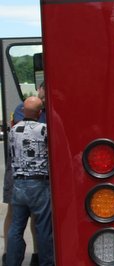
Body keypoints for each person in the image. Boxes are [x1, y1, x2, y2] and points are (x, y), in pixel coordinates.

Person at [6, 96, 53, 266]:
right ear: (40, 113)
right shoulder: (44, 130)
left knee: (16, 227)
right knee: (43, 227)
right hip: (39, 184)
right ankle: (46, 262)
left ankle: (12, 262)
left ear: (23, 111)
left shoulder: (13, 130)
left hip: (18, 184)